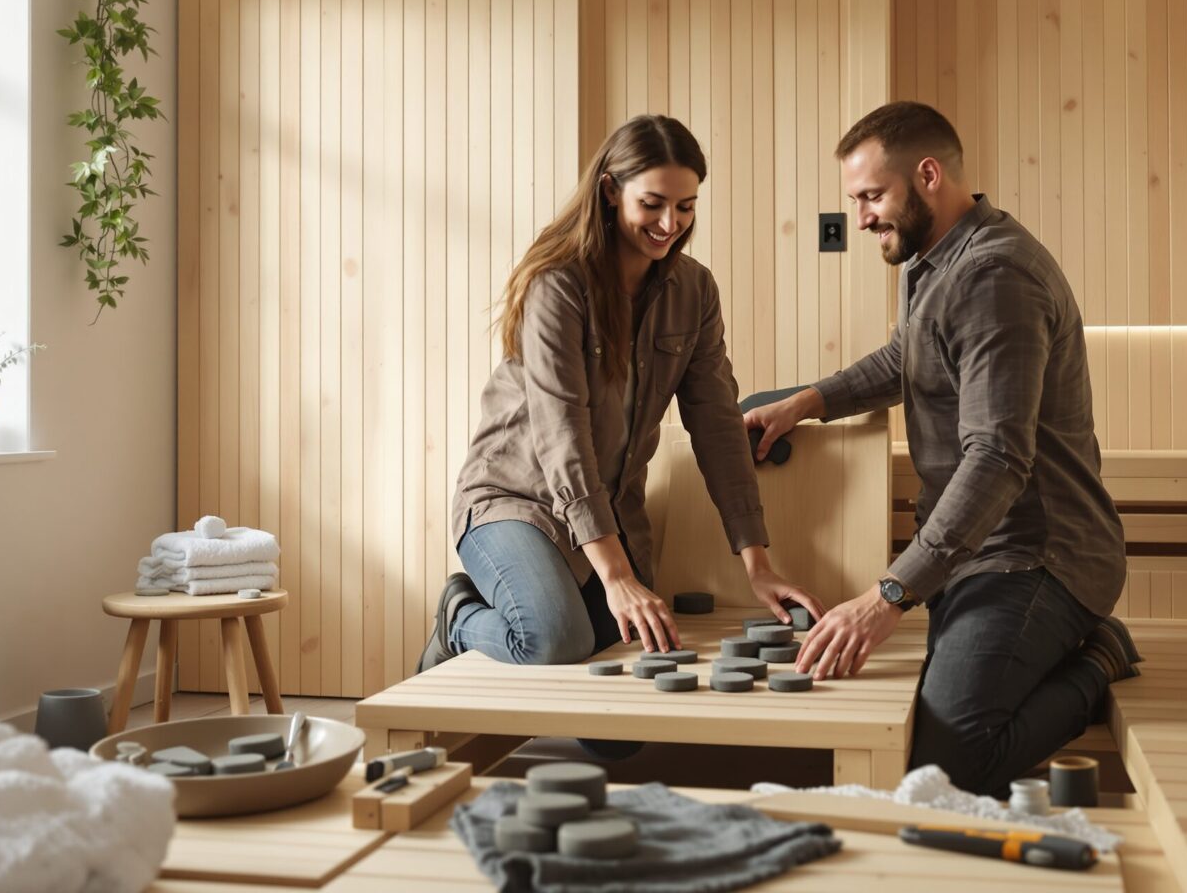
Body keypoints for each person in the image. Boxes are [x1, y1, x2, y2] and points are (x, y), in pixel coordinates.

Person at [744, 101, 1140, 795]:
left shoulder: (995, 278)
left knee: (951, 763)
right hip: (976, 557)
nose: (861, 216)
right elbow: (908, 358)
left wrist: (888, 595)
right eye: (857, 199)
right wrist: (807, 403)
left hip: (1039, 560)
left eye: (871, 196)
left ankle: (1102, 654)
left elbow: (997, 459)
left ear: (928, 175)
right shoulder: (935, 260)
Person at [422, 114, 824, 673]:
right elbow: (563, 436)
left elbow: (716, 424)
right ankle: (458, 615)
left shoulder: (695, 290)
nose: (671, 223)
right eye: (653, 204)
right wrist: (615, 575)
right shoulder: (558, 283)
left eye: (685, 207)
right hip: (516, 503)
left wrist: (758, 564)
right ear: (611, 190)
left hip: (611, 515)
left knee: (625, 709)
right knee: (555, 638)